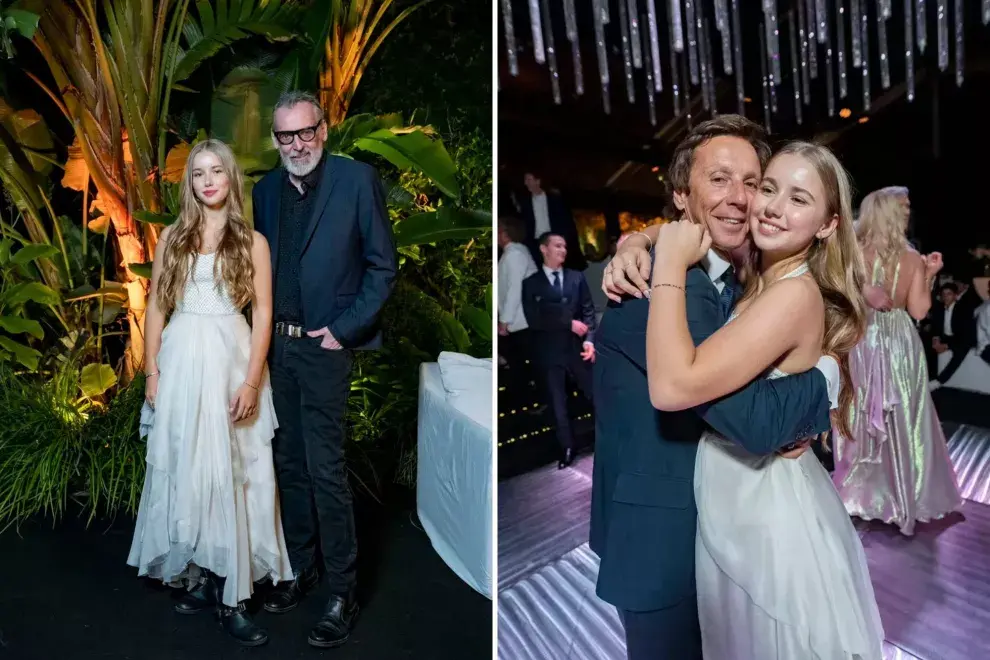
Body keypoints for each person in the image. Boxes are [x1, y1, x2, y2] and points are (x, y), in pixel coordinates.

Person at [590, 115, 838, 660]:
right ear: (682, 194)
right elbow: (753, 421)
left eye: (754, 183)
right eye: (719, 179)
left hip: (713, 530)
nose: (741, 198)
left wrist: (642, 235)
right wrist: (825, 380)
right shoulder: (662, 287)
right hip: (663, 543)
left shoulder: (732, 277)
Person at [647, 141, 884, 658]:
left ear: (827, 224)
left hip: (765, 507)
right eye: (769, 188)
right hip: (737, 494)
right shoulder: (756, 276)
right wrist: (640, 239)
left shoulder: (793, 294)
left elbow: (669, 387)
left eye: (799, 199)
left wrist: (665, 257)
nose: (773, 206)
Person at [127, 139, 291, 647]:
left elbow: (262, 312)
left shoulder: (252, 242)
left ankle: (234, 593)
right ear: (191, 184)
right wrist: (152, 372)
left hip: (229, 360)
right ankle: (201, 571)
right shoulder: (172, 237)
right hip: (180, 363)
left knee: (237, 470)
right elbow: (157, 309)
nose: (208, 180)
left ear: (231, 179)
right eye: (199, 174)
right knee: (190, 465)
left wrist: (251, 380)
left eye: (217, 171)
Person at [251, 91, 397, 648]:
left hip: (324, 347)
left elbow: (383, 268)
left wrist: (343, 329)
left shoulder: (356, 181)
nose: (297, 144)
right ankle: (302, 569)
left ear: (324, 129)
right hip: (277, 349)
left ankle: (342, 590)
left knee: (326, 470)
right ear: (275, 139)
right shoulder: (264, 191)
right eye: (286, 136)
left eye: (305, 132)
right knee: (288, 464)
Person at [833, 186, 962, 535]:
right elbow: (919, 310)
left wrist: (864, 292)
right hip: (899, 343)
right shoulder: (910, 257)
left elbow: (834, 287)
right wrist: (928, 274)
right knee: (902, 415)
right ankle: (903, 495)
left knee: (861, 412)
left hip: (862, 338)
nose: (908, 212)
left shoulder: (852, 251)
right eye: (903, 207)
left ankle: (860, 494)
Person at [521, 232, 596, 468]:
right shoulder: (531, 284)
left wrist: (590, 340)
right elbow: (533, 320)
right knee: (558, 405)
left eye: (564, 246)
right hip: (550, 352)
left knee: (596, 394)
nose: (563, 250)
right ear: (544, 249)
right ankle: (567, 448)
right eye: (557, 246)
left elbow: (588, 311)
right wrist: (567, 323)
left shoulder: (576, 277)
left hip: (578, 349)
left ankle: (610, 437)